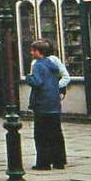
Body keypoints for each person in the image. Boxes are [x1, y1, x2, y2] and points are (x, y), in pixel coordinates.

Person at [25, 39, 65, 170]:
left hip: (42, 103)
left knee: (41, 135)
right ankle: (58, 161)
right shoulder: (52, 64)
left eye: (33, 50)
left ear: (39, 52)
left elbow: (37, 82)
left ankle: (43, 162)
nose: (31, 53)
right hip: (54, 103)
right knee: (55, 133)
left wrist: (28, 78)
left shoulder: (37, 65)